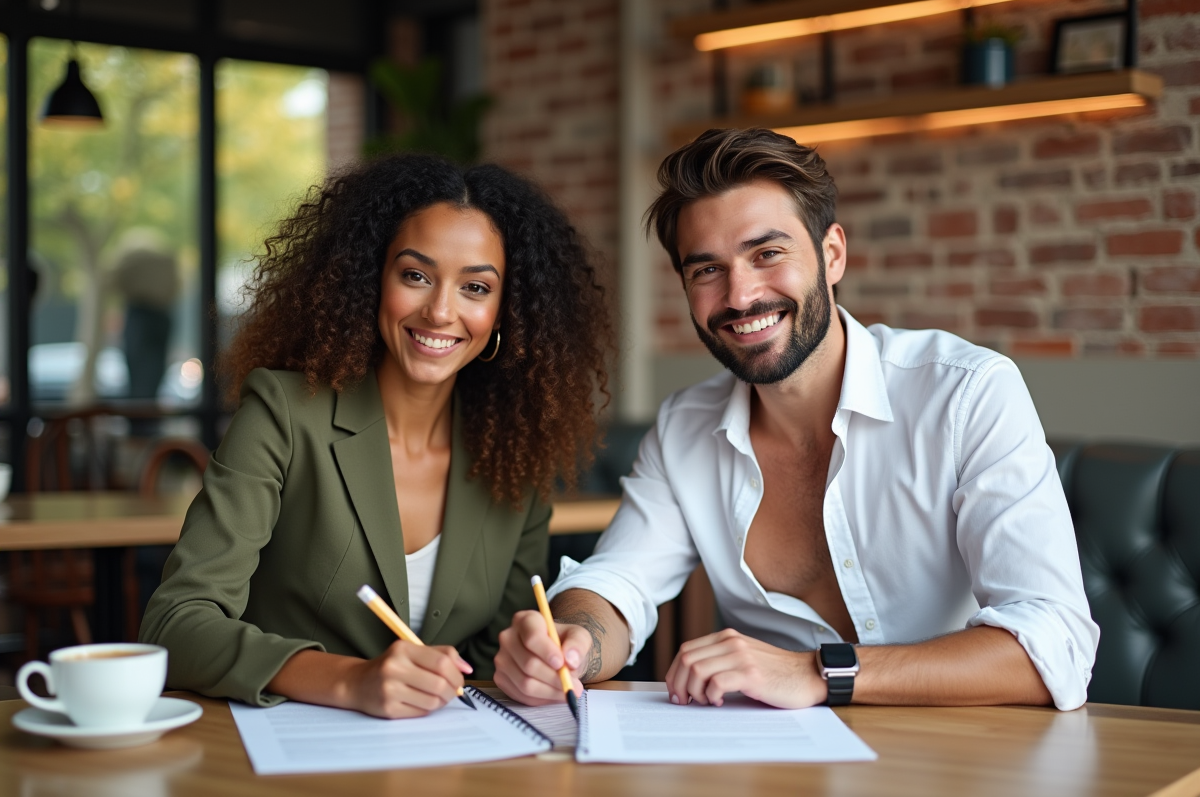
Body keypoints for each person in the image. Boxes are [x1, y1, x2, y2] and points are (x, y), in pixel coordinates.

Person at [495, 128, 1099, 712]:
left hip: (966, 763)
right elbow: (619, 582)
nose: (739, 295)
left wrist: (818, 671)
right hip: (785, 768)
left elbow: (1054, 644)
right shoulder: (684, 428)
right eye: (706, 269)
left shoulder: (966, 395)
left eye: (767, 254)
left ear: (832, 254)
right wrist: (572, 642)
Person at [141, 154, 612, 718]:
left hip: (448, 753)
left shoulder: (516, 452)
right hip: (286, 751)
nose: (440, 311)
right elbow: (177, 621)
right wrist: (348, 681)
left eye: (476, 288)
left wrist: (528, 665)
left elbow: (493, 655)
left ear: (506, 310)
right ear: (371, 278)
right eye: (415, 275)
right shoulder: (285, 413)